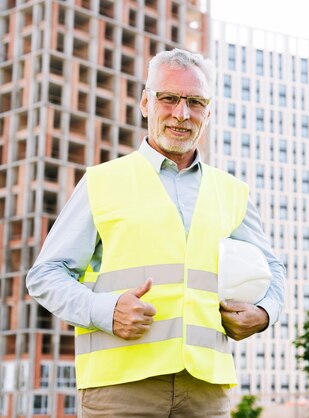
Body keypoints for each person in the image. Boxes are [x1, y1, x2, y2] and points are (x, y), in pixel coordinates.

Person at [26, 48, 286, 418]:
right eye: (169, 98)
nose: (182, 113)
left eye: (195, 102)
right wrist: (106, 310)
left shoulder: (233, 192)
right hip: (120, 390)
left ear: (208, 112)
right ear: (146, 103)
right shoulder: (102, 181)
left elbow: (273, 269)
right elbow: (45, 275)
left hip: (205, 392)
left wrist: (264, 313)